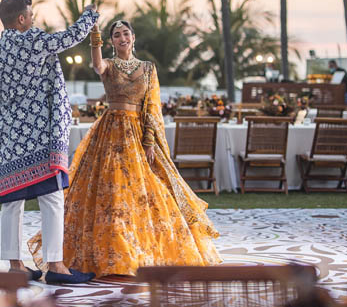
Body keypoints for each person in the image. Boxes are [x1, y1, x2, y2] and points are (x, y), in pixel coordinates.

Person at [30, 20, 220, 277]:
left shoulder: (148, 69)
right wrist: (94, 33)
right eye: (116, 35)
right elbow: (97, 65)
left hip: (137, 135)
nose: (122, 38)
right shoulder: (108, 65)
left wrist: (150, 141)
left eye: (126, 33)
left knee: (143, 193)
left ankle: (139, 250)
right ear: (111, 41)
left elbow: (152, 107)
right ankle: (111, 254)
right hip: (110, 134)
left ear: (133, 37)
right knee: (109, 192)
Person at [0, 0, 100, 285]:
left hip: (10, 138)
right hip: (43, 135)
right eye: (30, 15)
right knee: (52, 198)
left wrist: (5, 133)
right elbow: (72, 36)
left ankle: (15, 265)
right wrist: (90, 15)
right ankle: (55, 265)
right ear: (21, 19)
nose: (33, 19)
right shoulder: (34, 41)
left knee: (11, 204)